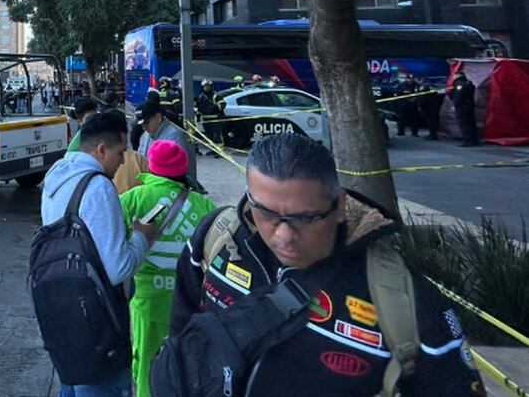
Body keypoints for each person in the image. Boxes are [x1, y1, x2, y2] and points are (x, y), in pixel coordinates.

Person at [165, 133, 483, 395]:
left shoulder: (405, 303)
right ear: (249, 198)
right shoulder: (216, 241)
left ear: (340, 206)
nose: (284, 235)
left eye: (305, 217)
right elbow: (183, 333)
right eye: (267, 214)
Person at [41, 111, 160, 396]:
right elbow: (118, 268)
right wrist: (143, 237)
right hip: (98, 321)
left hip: (61, 308)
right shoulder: (98, 188)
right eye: (119, 153)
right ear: (101, 150)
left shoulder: (56, 176)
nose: (122, 162)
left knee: (71, 385)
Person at [119, 140, 217, 397]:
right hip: (190, 302)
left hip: (147, 301)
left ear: (152, 167)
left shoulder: (133, 199)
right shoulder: (204, 205)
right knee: (186, 364)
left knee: (146, 363)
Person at [449, 71, 479, 147]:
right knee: (471, 124)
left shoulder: (459, 84)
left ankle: (467, 141)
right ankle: (475, 141)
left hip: (462, 107)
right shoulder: (468, 82)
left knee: (464, 124)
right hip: (469, 106)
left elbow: (459, 97)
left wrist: (455, 105)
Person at [195, 79, 224, 156]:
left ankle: (219, 152)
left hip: (215, 119)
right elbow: (199, 108)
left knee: (216, 136)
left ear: (211, 86)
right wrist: (198, 117)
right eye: (204, 86)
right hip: (206, 120)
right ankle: (212, 150)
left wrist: (217, 107)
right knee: (209, 136)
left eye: (207, 86)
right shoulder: (201, 96)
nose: (206, 88)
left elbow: (223, 104)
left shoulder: (215, 95)